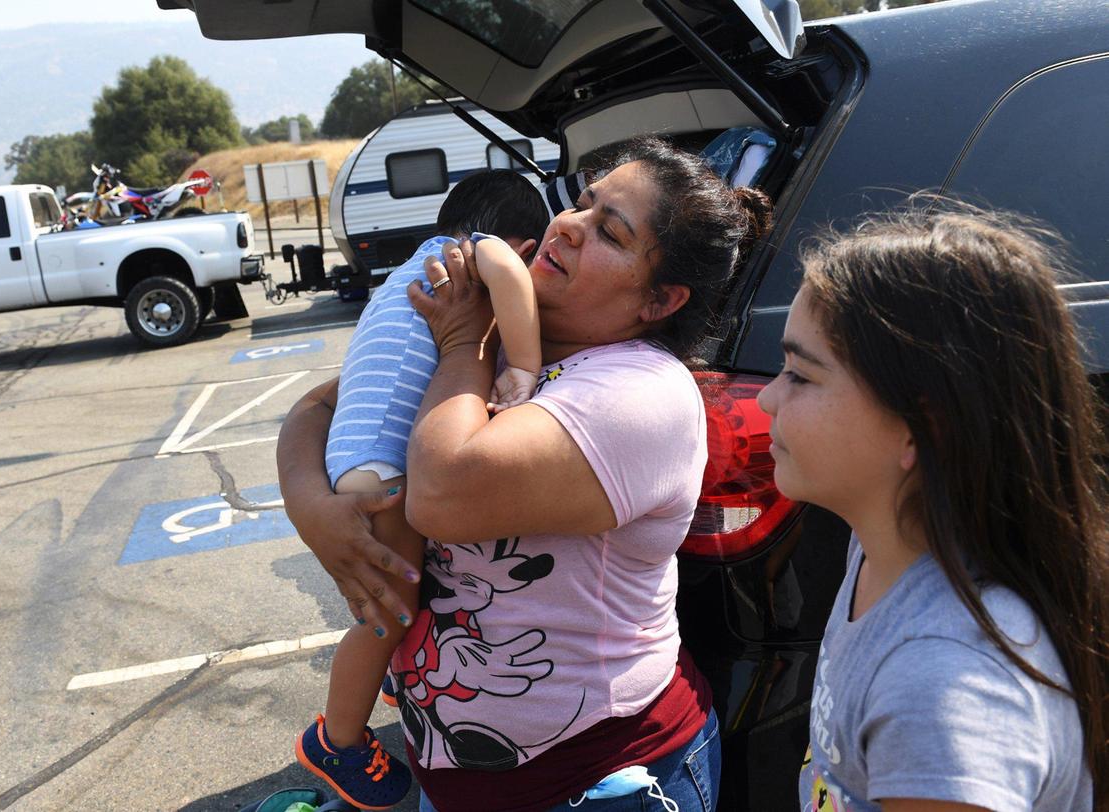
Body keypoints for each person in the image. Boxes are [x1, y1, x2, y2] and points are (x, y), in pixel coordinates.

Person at [276, 136, 773, 811]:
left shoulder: (638, 391)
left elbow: (441, 494)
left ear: (660, 300)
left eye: (610, 232)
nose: (567, 225)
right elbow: (317, 406)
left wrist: (460, 343)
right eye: (583, 203)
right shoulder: (504, 338)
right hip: (453, 775)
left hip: (600, 781)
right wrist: (311, 507)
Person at [755, 204, 1108, 811]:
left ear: (924, 425)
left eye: (800, 376)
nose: (765, 398)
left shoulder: (944, 688)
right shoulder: (879, 543)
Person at [293, 168, 550, 810]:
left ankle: (390, 681)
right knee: (386, 615)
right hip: (379, 468)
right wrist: (523, 366)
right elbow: (512, 278)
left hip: (356, 455)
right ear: (516, 243)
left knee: (404, 594)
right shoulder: (473, 254)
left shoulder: (401, 278)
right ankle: (338, 741)